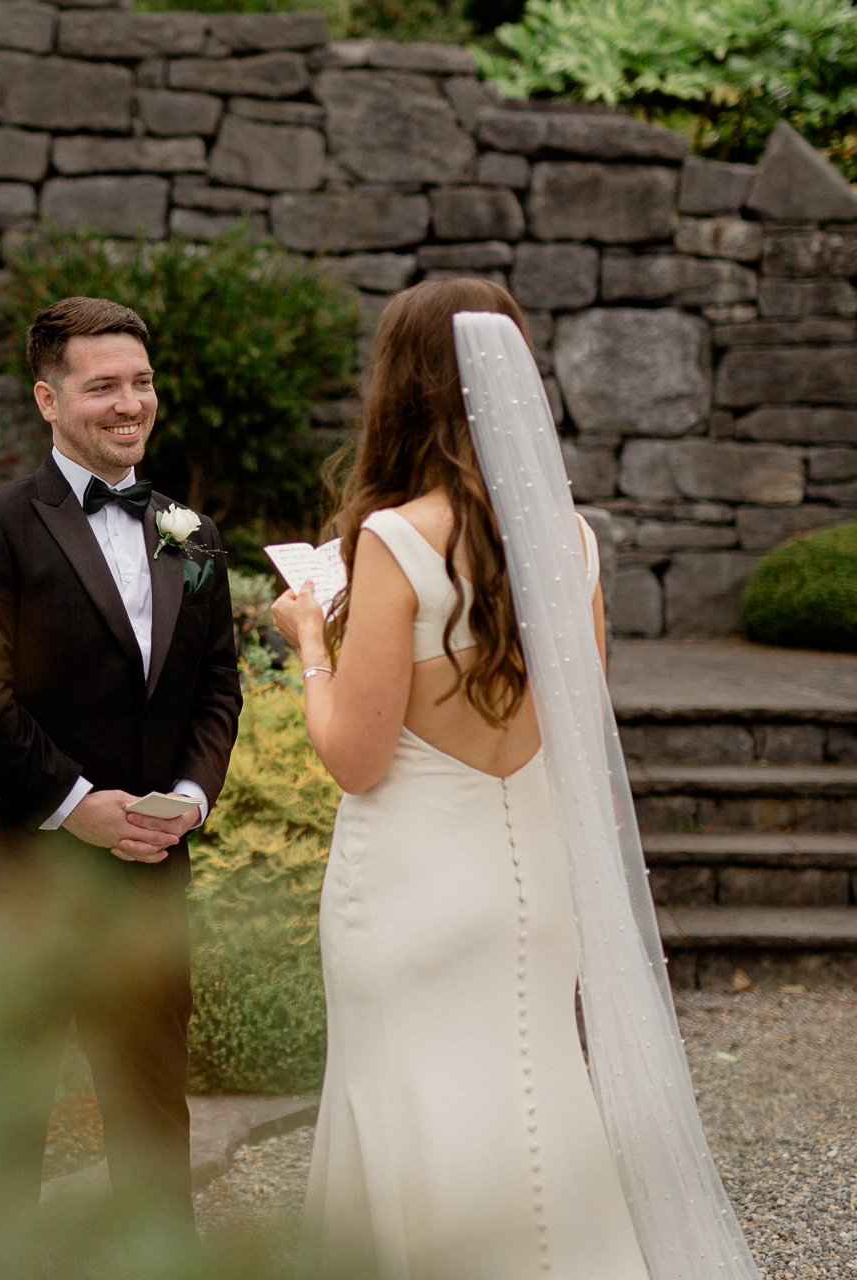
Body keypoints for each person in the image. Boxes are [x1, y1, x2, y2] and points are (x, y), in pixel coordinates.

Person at [272, 278, 757, 1278]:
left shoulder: (397, 538)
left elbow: (355, 758)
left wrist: (308, 643)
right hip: (536, 888)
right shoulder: (568, 543)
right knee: (537, 1100)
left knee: (410, 1102)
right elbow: (580, 727)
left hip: (408, 887)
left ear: (400, 386)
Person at [0, 296, 242, 1272]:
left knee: (152, 1120)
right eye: (103, 384)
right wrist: (79, 808)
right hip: (14, 875)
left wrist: (187, 799)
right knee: (2, 1130)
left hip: (149, 878)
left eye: (140, 381)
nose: (129, 403)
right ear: (47, 397)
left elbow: (217, 685)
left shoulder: (193, 533)